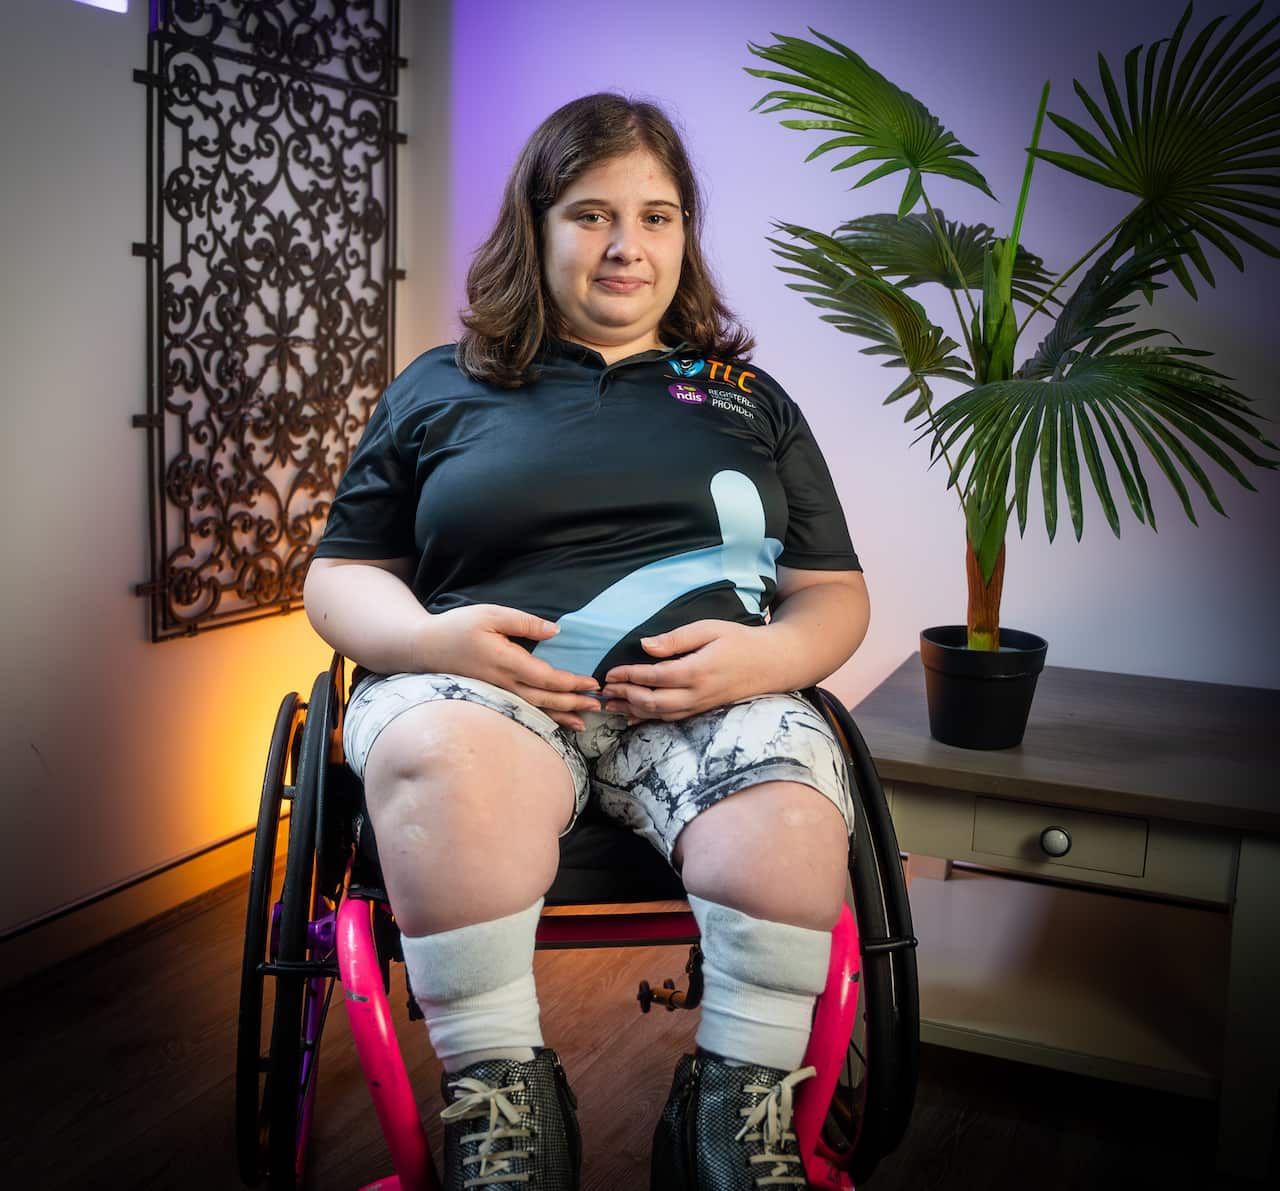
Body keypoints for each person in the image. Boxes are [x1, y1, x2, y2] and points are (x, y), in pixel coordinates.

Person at [304, 92, 870, 1191]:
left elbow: (832, 594)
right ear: (537, 223)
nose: (627, 246)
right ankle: (503, 1113)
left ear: (684, 235)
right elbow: (339, 577)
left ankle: (732, 1122)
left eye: (657, 218)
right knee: (443, 761)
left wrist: (765, 662)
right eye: (592, 213)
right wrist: (434, 640)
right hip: (483, 698)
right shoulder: (441, 385)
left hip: (712, 704)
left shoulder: (744, 396)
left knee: (795, 812)